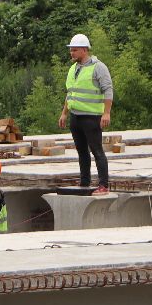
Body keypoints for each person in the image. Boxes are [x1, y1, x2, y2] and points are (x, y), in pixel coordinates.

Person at [57, 33, 113, 194]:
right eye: (70, 50)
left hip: (92, 117)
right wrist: (64, 113)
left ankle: (103, 185)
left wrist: (106, 113)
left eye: (74, 50)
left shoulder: (98, 67)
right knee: (82, 151)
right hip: (76, 117)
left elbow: (108, 90)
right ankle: (85, 182)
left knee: (97, 150)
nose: (71, 53)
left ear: (84, 50)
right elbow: (71, 93)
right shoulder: (73, 69)